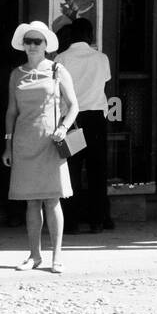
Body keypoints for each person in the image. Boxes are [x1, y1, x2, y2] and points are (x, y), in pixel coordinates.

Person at [2, 21, 78, 272]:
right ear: (23, 45)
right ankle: (34, 255)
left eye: (38, 41)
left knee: (52, 200)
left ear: (46, 45)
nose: (33, 45)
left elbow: (73, 105)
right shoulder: (16, 73)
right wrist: (8, 144)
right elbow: (11, 112)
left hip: (50, 141)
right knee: (31, 202)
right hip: (24, 141)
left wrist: (64, 127)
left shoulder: (58, 69)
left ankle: (57, 256)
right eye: (29, 41)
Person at [55, 18, 112, 233]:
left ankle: (70, 222)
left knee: (72, 171)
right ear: (90, 35)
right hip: (96, 118)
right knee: (98, 170)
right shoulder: (101, 58)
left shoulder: (62, 58)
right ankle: (98, 220)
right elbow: (105, 81)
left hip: (72, 119)